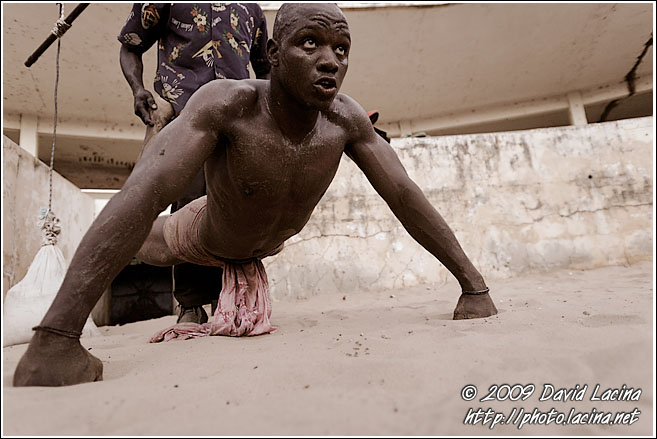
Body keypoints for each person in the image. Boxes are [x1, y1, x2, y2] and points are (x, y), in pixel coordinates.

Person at [14, 3, 497, 387]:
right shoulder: (230, 103)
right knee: (145, 236)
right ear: (273, 53)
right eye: (310, 43)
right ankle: (74, 322)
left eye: (341, 49)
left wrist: (474, 287)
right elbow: (143, 193)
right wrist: (57, 338)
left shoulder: (345, 120)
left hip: (258, 240)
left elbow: (405, 197)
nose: (330, 60)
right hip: (205, 229)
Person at [118, 3, 271, 324]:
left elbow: (266, 70)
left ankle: (233, 298)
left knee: (238, 209)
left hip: (237, 121)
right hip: (181, 119)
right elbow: (130, 46)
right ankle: (190, 304)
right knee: (187, 205)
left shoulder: (253, 10)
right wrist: (138, 90)